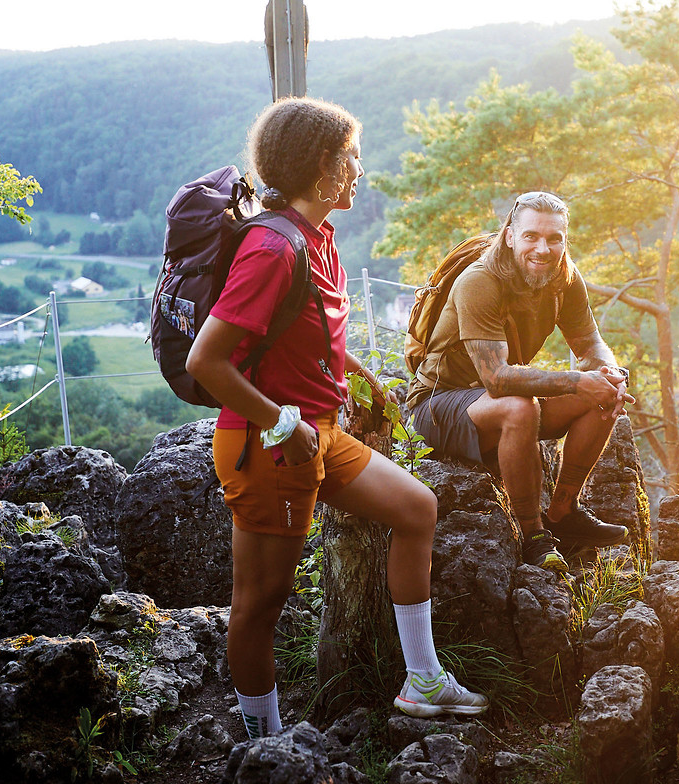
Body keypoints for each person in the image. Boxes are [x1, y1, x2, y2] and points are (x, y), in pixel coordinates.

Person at [186, 98, 487, 739]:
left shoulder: (316, 238)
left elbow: (299, 326)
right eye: (350, 155)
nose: (359, 167)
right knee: (260, 605)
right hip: (267, 447)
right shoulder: (273, 247)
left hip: (319, 435)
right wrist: (282, 425)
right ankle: (263, 744)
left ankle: (422, 680)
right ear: (321, 166)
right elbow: (208, 361)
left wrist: (352, 368)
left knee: (417, 508)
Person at [406, 190, 635, 574]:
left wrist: (609, 371)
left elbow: (590, 342)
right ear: (510, 235)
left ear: (564, 240)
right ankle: (533, 534)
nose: (542, 248)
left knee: (604, 392)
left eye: (554, 238)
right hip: (439, 402)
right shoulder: (480, 281)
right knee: (518, 405)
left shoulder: (564, 279)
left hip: (490, 400)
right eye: (531, 236)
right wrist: (578, 381)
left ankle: (564, 511)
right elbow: (497, 379)